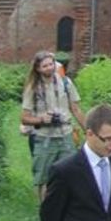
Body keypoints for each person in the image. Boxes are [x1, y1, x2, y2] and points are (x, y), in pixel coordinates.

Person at [22, 50, 85, 201]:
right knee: (43, 178)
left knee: (70, 174)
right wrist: (42, 119)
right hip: (44, 138)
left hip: (66, 135)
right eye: (45, 66)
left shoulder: (65, 82)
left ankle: (66, 210)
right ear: (38, 68)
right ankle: (46, 212)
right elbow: (24, 118)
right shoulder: (33, 87)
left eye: (51, 64)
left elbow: (75, 109)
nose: (49, 68)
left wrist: (88, 130)